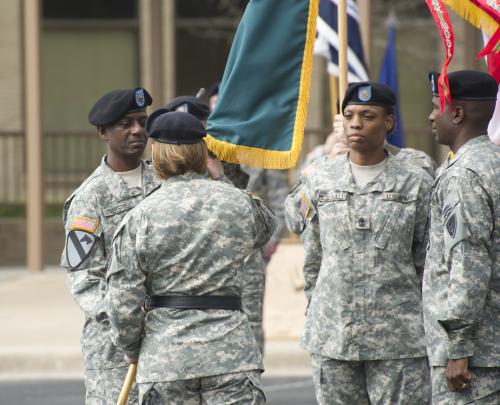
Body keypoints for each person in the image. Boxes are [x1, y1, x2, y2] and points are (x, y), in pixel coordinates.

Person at [106, 110, 276, 404]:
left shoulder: (140, 216)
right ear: (202, 152)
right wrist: (221, 180)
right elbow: (266, 228)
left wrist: (131, 346)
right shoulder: (237, 202)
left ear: (157, 153)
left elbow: (122, 300)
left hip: (167, 356)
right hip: (232, 354)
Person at [290, 82, 433, 404]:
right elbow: (310, 247)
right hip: (334, 331)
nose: (356, 123)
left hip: (399, 336)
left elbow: (426, 259)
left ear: (389, 122)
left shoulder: (415, 181)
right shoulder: (320, 179)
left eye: (368, 115)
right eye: (350, 115)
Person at [61, 87, 157, 404]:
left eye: (142, 122)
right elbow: (84, 279)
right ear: (103, 131)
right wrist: (127, 315)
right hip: (113, 347)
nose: (138, 131)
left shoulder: (165, 181)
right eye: (126, 124)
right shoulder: (90, 198)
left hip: (166, 336)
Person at [423, 70, 500, 404]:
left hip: (475, 357)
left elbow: (468, 263)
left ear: (457, 114)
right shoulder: (494, 162)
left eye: (437, 106)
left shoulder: (464, 176)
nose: (430, 115)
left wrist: (458, 348)